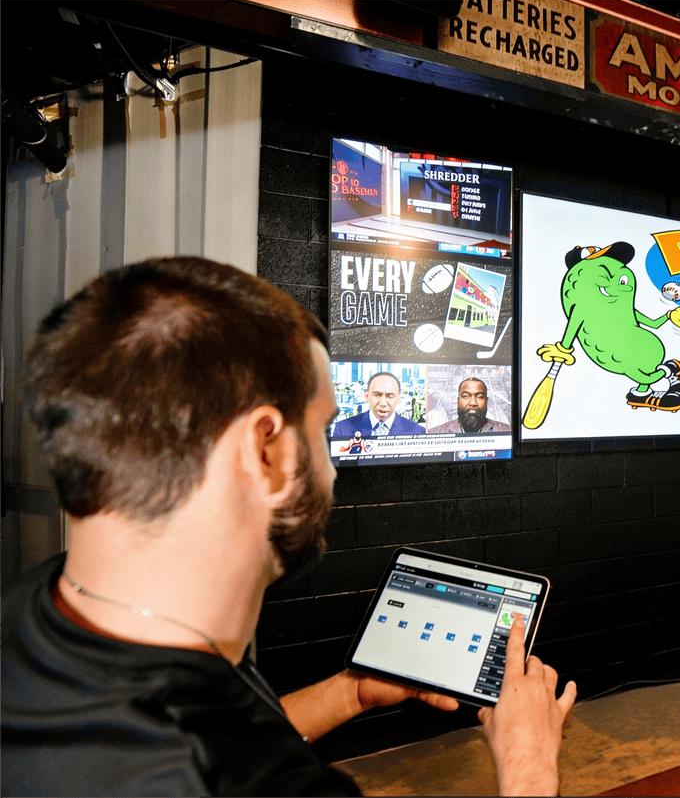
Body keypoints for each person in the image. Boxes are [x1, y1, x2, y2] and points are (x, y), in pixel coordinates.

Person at [3, 257, 574, 796]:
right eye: (322, 431)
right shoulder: (242, 782)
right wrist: (528, 764)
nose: (331, 469)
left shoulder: (40, 607)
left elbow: (222, 729)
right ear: (266, 452)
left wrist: (350, 694)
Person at [331, 371, 425, 437]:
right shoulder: (343, 429)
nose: (383, 403)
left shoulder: (416, 431)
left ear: (398, 399)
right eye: (377, 395)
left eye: (390, 396)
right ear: (366, 396)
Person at [428, 377, 512, 434]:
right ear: (458, 401)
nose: (473, 403)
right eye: (466, 396)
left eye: (479, 397)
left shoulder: (507, 432)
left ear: (486, 401)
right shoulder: (435, 433)